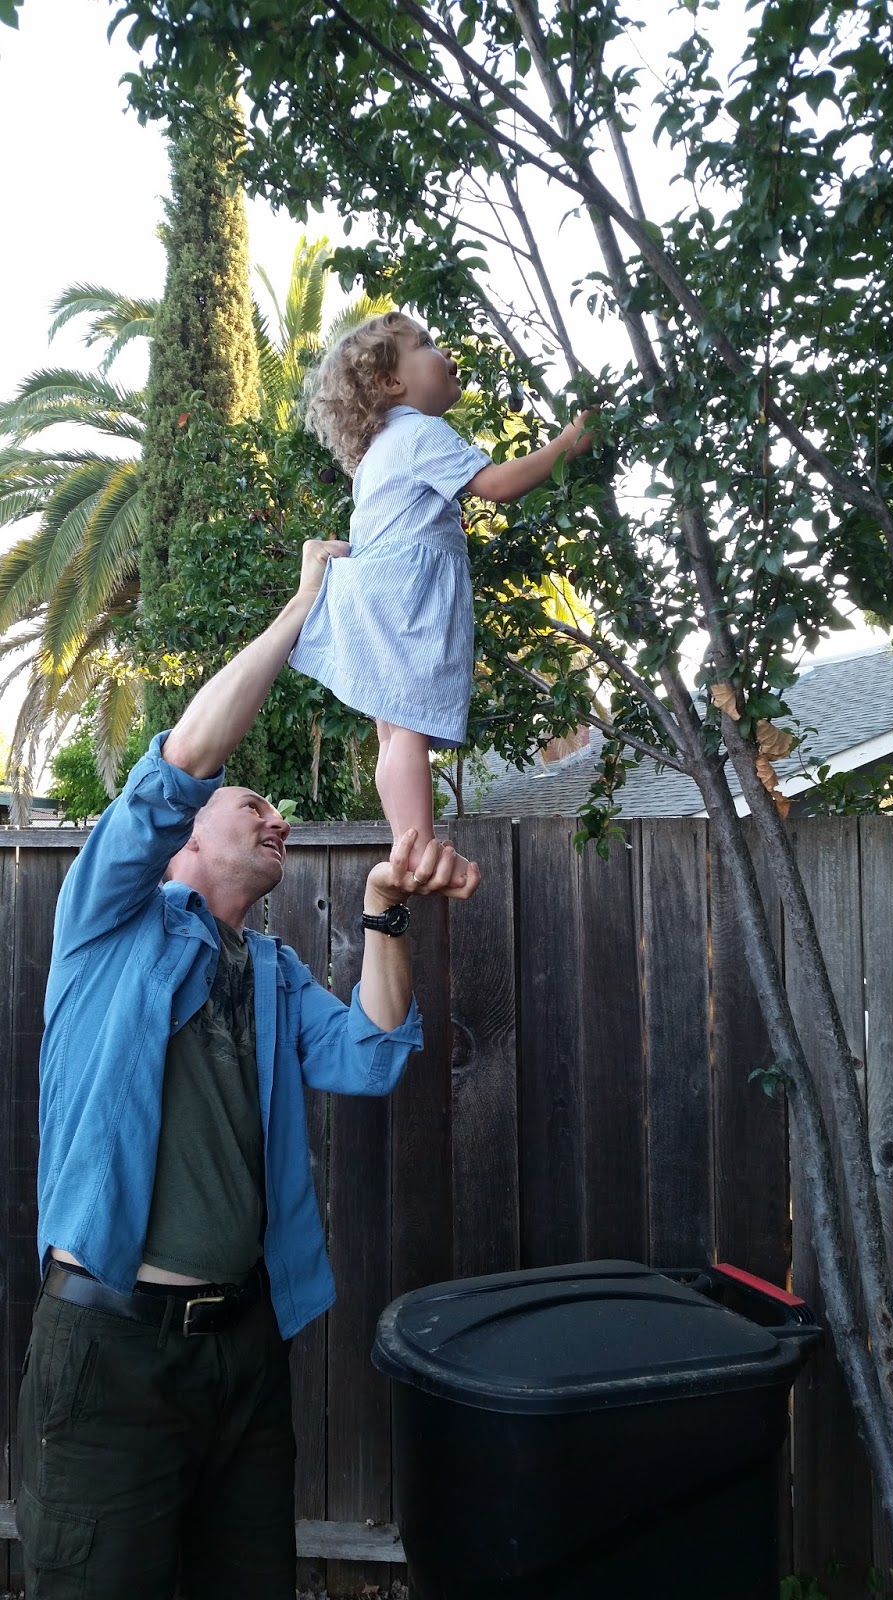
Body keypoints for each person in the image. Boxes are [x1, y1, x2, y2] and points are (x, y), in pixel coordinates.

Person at [15, 538, 478, 1600]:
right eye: (251, 805)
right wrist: (305, 604)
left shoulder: (270, 971)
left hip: (245, 1351)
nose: (281, 818)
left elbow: (371, 1056)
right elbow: (181, 762)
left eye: (277, 808)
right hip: (111, 1346)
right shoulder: (107, 921)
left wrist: (383, 907)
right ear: (183, 840)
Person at [289, 310, 595, 886]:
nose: (445, 352)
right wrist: (569, 444)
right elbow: (497, 485)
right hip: (404, 598)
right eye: (426, 344)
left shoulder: (377, 453)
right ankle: (422, 851)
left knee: (392, 734)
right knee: (407, 731)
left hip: (371, 594)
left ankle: (406, 849)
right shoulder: (418, 432)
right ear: (391, 382)